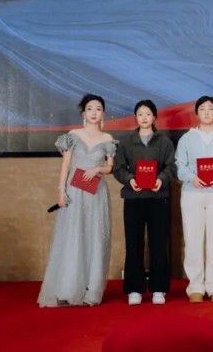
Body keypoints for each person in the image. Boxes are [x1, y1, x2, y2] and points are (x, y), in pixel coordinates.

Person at [38, 94, 116, 307]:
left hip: (97, 192)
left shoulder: (107, 138)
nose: (94, 112)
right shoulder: (73, 135)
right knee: (73, 236)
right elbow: (66, 164)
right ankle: (67, 289)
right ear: (84, 113)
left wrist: (98, 169)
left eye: (98, 109)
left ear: (103, 113)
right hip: (75, 190)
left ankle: (91, 292)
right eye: (90, 108)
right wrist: (61, 190)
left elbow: (110, 167)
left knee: (95, 237)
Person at [113, 100, 176, 306]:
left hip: (158, 198)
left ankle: (159, 288)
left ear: (154, 117)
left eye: (148, 114)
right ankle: (134, 288)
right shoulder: (126, 142)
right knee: (134, 244)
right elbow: (118, 168)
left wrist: (162, 179)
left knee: (159, 244)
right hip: (134, 198)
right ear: (135, 117)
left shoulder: (164, 141)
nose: (144, 118)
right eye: (140, 114)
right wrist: (129, 179)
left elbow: (171, 166)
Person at [175, 96, 213, 303]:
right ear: (197, 113)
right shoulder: (187, 139)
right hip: (192, 193)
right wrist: (192, 177)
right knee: (193, 238)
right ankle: (195, 286)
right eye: (202, 109)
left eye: (210, 108)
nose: (207, 112)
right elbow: (179, 165)